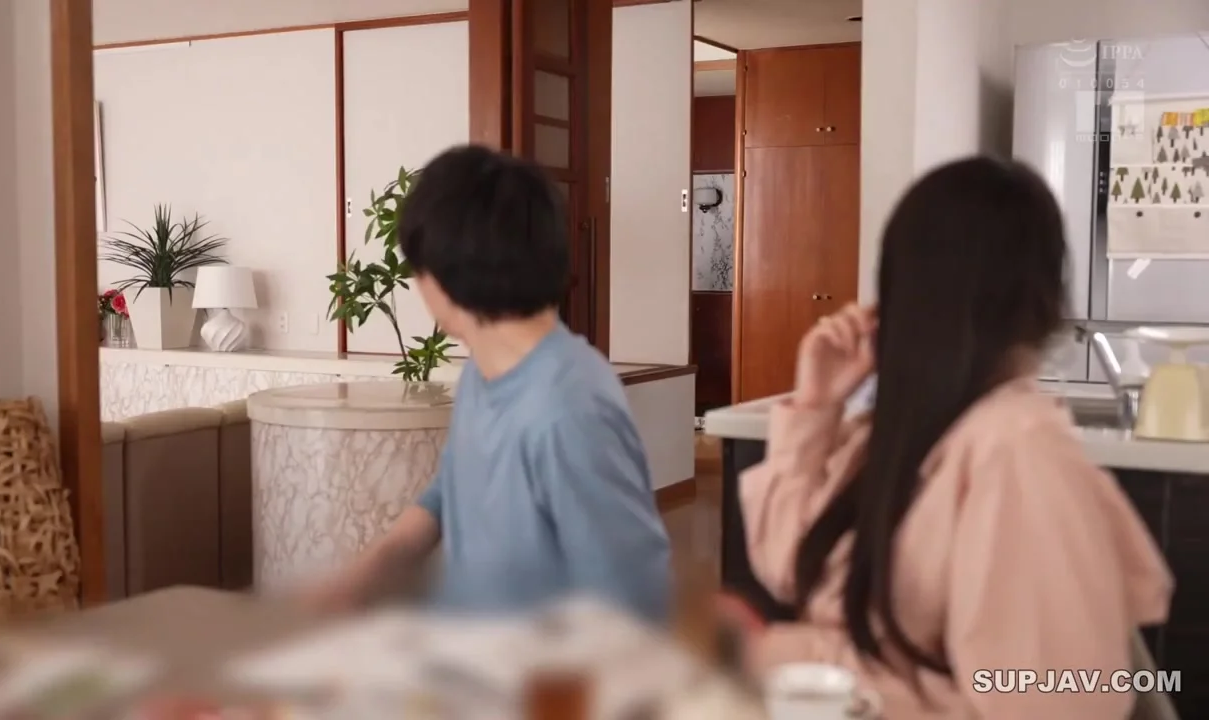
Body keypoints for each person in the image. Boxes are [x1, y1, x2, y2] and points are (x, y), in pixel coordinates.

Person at [737, 157, 1172, 718]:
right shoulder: (905, 430)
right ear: (1044, 303)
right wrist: (816, 405)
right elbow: (791, 565)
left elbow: (1051, 704)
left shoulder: (1017, 456)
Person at [305, 145, 671, 621]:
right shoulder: (483, 370)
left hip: (538, 665)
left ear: (444, 276)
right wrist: (364, 574)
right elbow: (448, 490)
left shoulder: (570, 409)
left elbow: (634, 603)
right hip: (463, 650)